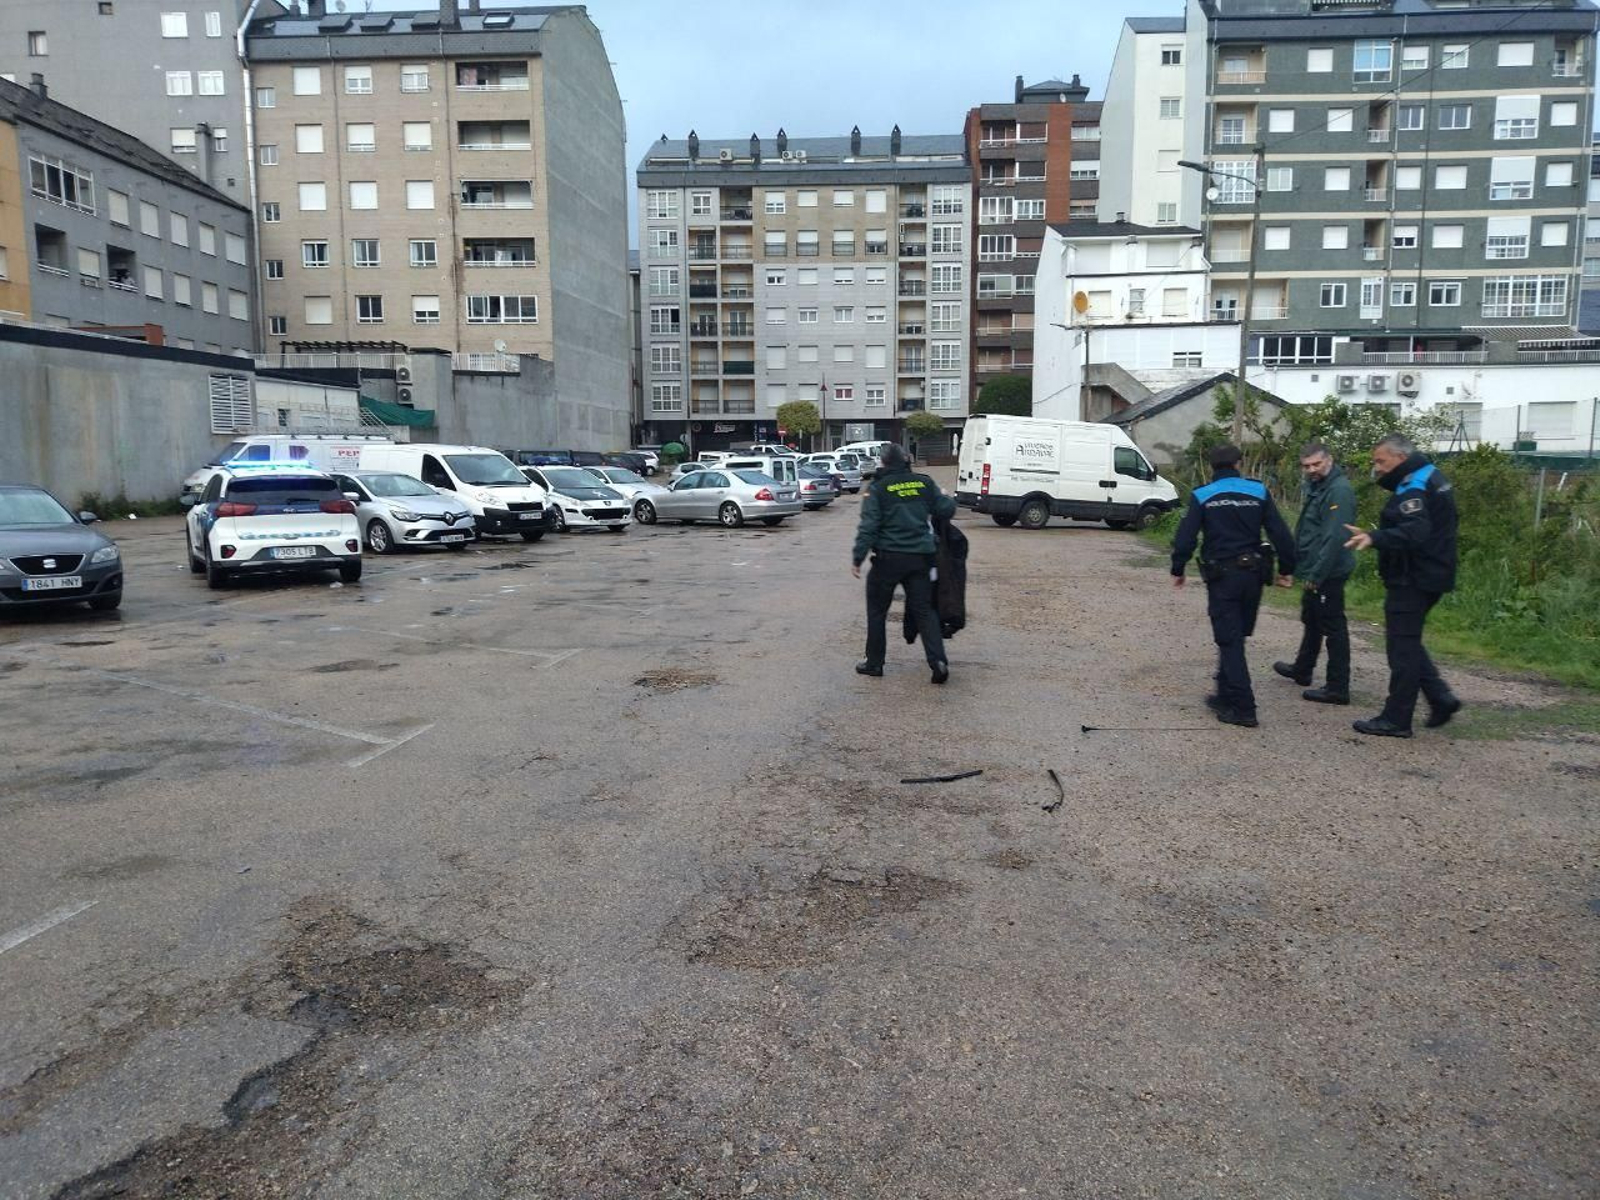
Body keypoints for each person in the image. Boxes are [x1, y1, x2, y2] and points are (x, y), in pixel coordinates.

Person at [1343, 433, 1461, 738]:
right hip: (1432, 572)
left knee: (1402, 650)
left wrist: (1375, 537)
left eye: (1381, 461)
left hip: (1414, 577)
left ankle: (1396, 719)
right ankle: (1440, 698)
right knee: (1406, 641)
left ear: (1400, 457)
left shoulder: (1414, 485)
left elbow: (1416, 531)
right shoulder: (1430, 474)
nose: (1377, 467)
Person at [1171, 443, 1297, 728]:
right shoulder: (1259, 491)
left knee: (1229, 640)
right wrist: (1287, 570)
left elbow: (1186, 537)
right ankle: (1223, 694)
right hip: (1253, 575)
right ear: (1239, 464)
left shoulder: (1202, 495)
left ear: (1213, 466)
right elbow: (1281, 534)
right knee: (1234, 636)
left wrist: (1178, 568)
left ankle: (1244, 708)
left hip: (1223, 577)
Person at [851, 444, 956, 684]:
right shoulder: (924, 483)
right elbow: (946, 509)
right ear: (906, 460)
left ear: (884, 463)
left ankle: (874, 663)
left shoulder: (878, 488)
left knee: (877, 612)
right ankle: (938, 661)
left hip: (888, 559)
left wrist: (858, 557)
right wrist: (946, 495)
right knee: (924, 611)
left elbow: (869, 526)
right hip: (920, 559)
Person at [1273, 442, 1356, 704]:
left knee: (1333, 627)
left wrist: (1316, 575)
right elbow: (1310, 531)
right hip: (1313, 566)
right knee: (1312, 620)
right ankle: (1302, 669)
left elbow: (1334, 538)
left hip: (1328, 571)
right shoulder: (1318, 486)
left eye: (1316, 464)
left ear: (1328, 460)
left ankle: (1337, 687)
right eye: (1307, 466)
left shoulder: (1338, 490)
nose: (1311, 470)